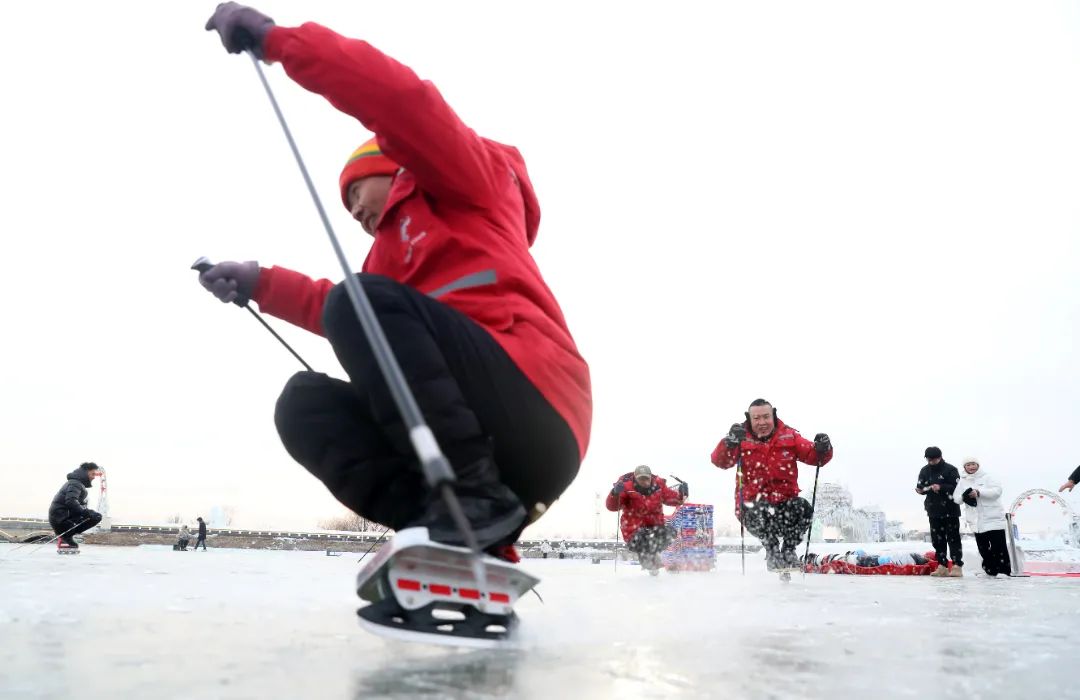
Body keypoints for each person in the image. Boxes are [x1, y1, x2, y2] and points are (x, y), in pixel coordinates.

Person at [200, 4, 591, 562]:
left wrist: (279, 41)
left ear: (396, 168)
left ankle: (475, 499)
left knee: (359, 301)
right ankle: (448, 529)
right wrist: (260, 283)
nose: (354, 209)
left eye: (357, 190)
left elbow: (401, 102)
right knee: (302, 404)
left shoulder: (470, 181)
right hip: (479, 432)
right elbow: (331, 308)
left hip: (536, 413)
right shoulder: (385, 269)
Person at [710, 399, 832, 570]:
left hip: (783, 506)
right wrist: (728, 443)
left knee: (803, 508)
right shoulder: (740, 439)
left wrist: (823, 448)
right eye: (756, 418)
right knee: (756, 511)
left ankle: (788, 551)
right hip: (752, 507)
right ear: (749, 418)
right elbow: (720, 461)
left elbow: (814, 457)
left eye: (766, 417)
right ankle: (773, 552)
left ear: (773, 415)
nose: (762, 422)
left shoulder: (789, 436)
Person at [605, 465, 686, 574]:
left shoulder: (658, 487)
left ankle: (654, 558)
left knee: (670, 533)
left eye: (646, 478)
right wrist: (614, 493)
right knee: (643, 539)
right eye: (641, 479)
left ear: (650, 478)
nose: (644, 481)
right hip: (633, 530)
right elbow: (612, 507)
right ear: (635, 478)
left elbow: (675, 499)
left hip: (655, 528)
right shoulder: (626, 489)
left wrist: (682, 494)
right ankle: (650, 563)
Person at [953, 457, 1011, 577]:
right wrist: (965, 496)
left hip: (993, 518)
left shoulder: (988, 477)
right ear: (964, 467)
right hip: (976, 521)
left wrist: (979, 492)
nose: (971, 467)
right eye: (968, 465)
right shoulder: (962, 481)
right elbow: (956, 498)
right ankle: (990, 571)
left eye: (973, 464)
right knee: (983, 549)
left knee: (998, 547)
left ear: (978, 465)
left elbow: (997, 491)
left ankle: (1003, 571)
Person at [916, 447, 964, 577]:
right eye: (929, 459)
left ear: (940, 457)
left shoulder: (951, 469)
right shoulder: (924, 470)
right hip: (933, 510)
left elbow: (957, 487)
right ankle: (942, 565)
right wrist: (921, 490)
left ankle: (957, 565)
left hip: (950, 510)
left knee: (953, 538)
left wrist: (941, 487)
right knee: (937, 540)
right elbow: (921, 486)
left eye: (934, 459)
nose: (931, 462)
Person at [47, 462, 103, 550]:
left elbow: (75, 504)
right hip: (61, 519)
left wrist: (87, 512)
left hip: (61, 517)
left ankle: (67, 535)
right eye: (92, 474)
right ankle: (66, 535)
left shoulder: (77, 483)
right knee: (96, 517)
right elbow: (71, 501)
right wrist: (86, 513)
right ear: (85, 472)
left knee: (95, 516)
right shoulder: (75, 484)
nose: (94, 477)